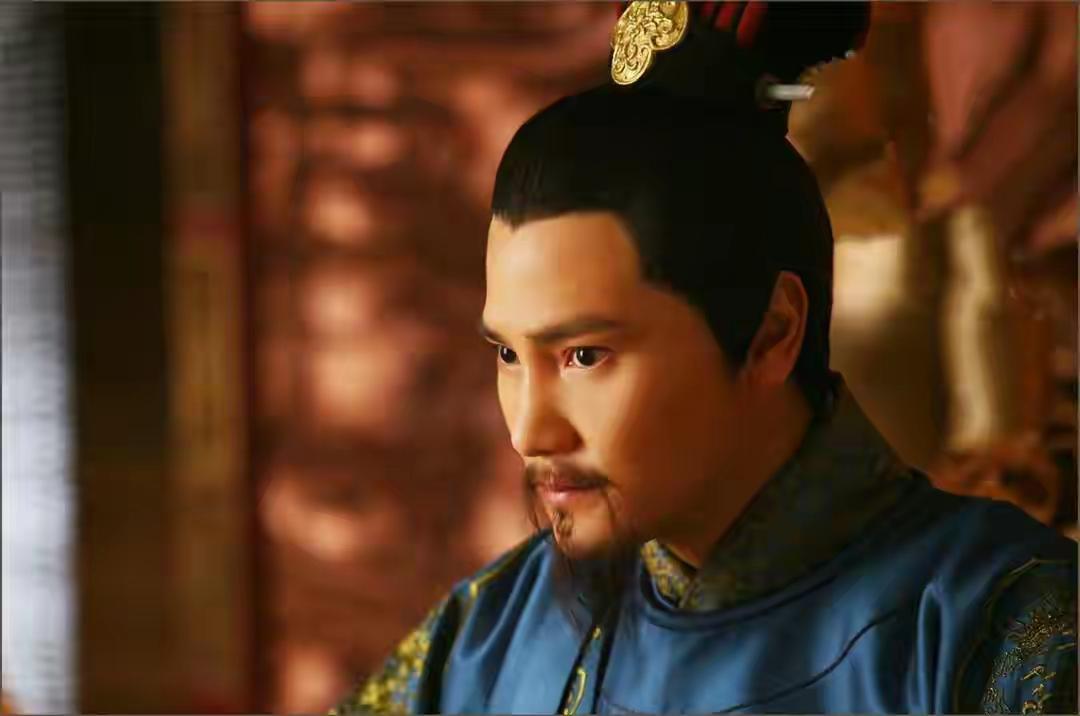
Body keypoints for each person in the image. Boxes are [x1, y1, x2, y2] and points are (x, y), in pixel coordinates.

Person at [333, 2, 1077, 713]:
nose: (530, 431)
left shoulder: (1004, 632)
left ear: (771, 333)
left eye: (584, 355)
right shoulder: (487, 639)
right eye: (507, 353)